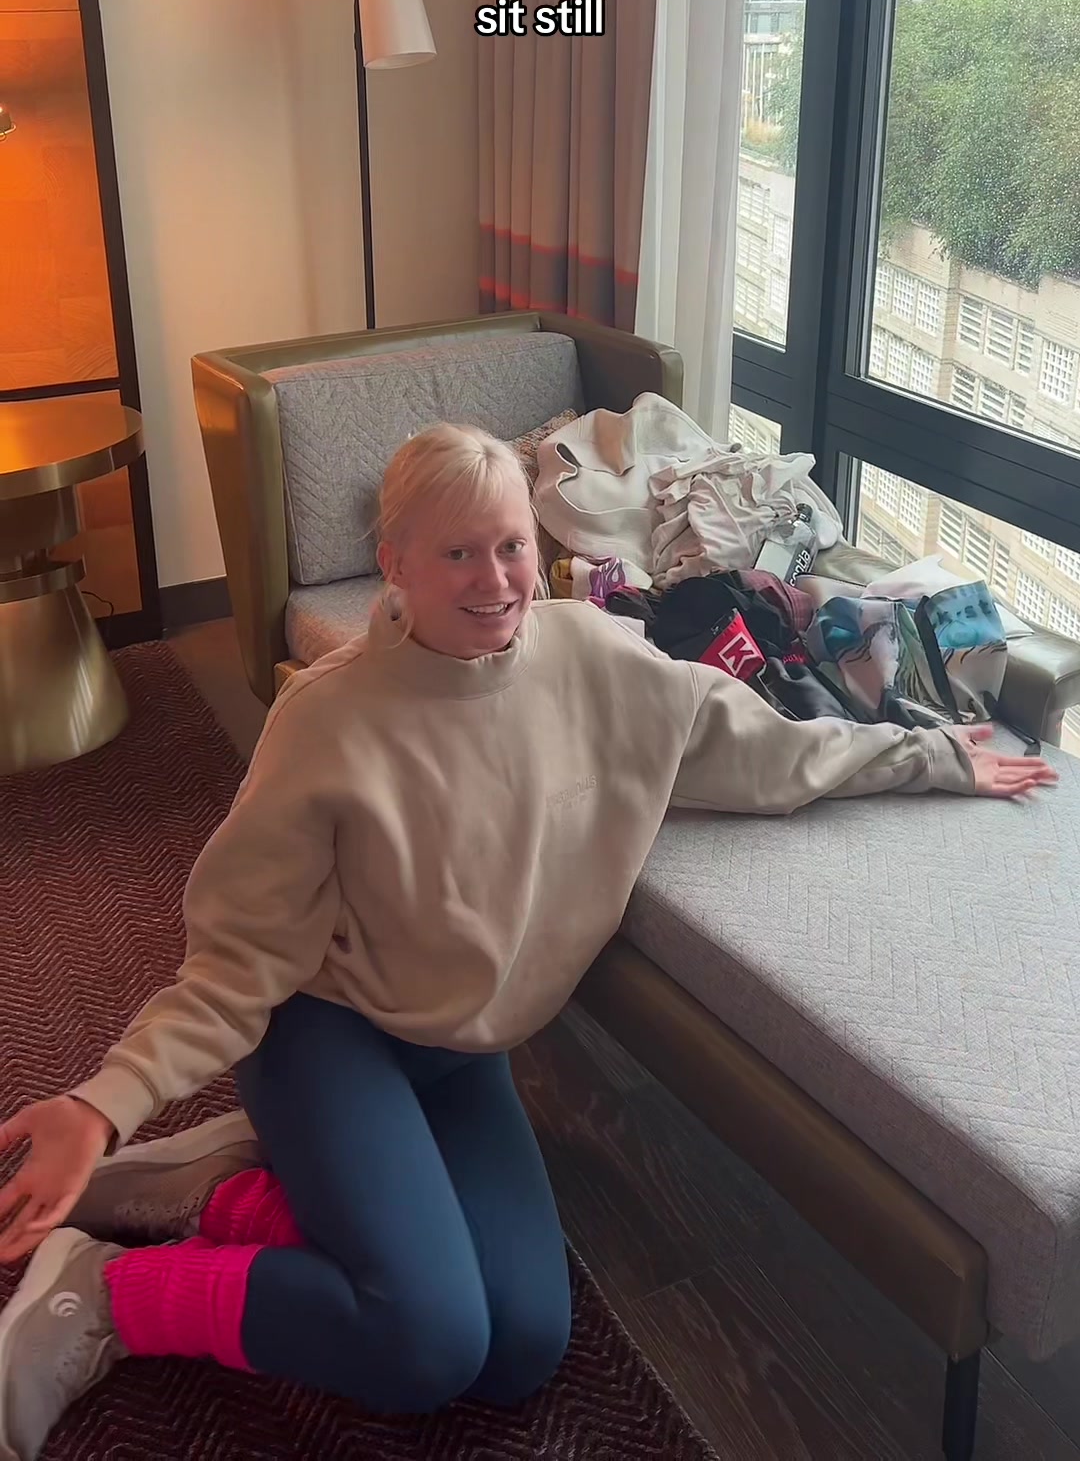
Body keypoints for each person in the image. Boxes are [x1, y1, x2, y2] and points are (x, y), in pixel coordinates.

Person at [0, 424, 1057, 1457]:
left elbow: (767, 752)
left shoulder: (593, 654)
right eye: (457, 553)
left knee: (519, 1346)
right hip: (327, 1034)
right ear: (394, 564)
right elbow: (237, 960)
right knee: (427, 1342)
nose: (494, 579)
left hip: (462, 1056)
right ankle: (109, 1292)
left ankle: (233, 1191)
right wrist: (105, 1100)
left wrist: (933, 756)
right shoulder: (326, 720)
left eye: (510, 545)